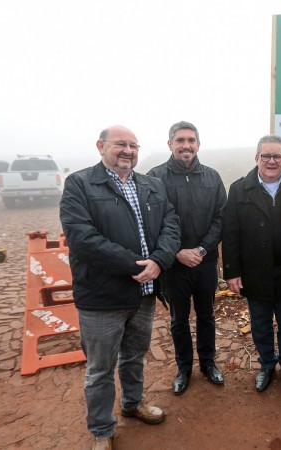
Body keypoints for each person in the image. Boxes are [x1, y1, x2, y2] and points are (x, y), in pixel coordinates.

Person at [60, 125, 180, 450]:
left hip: (144, 294)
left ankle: (133, 403)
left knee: (134, 356)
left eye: (133, 145)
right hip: (102, 296)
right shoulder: (80, 184)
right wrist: (138, 266)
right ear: (100, 146)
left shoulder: (151, 185)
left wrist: (159, 260)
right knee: (100, 369)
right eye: (120, 144)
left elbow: (171, 225)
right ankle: (102, 430)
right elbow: (83, 239)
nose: (128, 150)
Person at [147, 121, 227, 395]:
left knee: (206, 315)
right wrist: (176, 252)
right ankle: (184, 369)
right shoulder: (155, 177)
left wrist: (202, 250)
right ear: (170, 144)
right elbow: (151, 222)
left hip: (205, 262)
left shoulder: (212, 177)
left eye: (191, 140)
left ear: (198, 145)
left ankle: (208, 363)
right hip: (173, 265)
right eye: (180, 140)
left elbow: (220, 218)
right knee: (178, 319)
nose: (186, 145)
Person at [222, 135, 281, 393]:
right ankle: (267, 365)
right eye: (266, 156)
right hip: (255, 272)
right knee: (260, 323)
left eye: (277, 156)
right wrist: (232, 272)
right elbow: (231, 233)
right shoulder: (239, 189)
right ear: (256, 158)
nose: (271, 161)